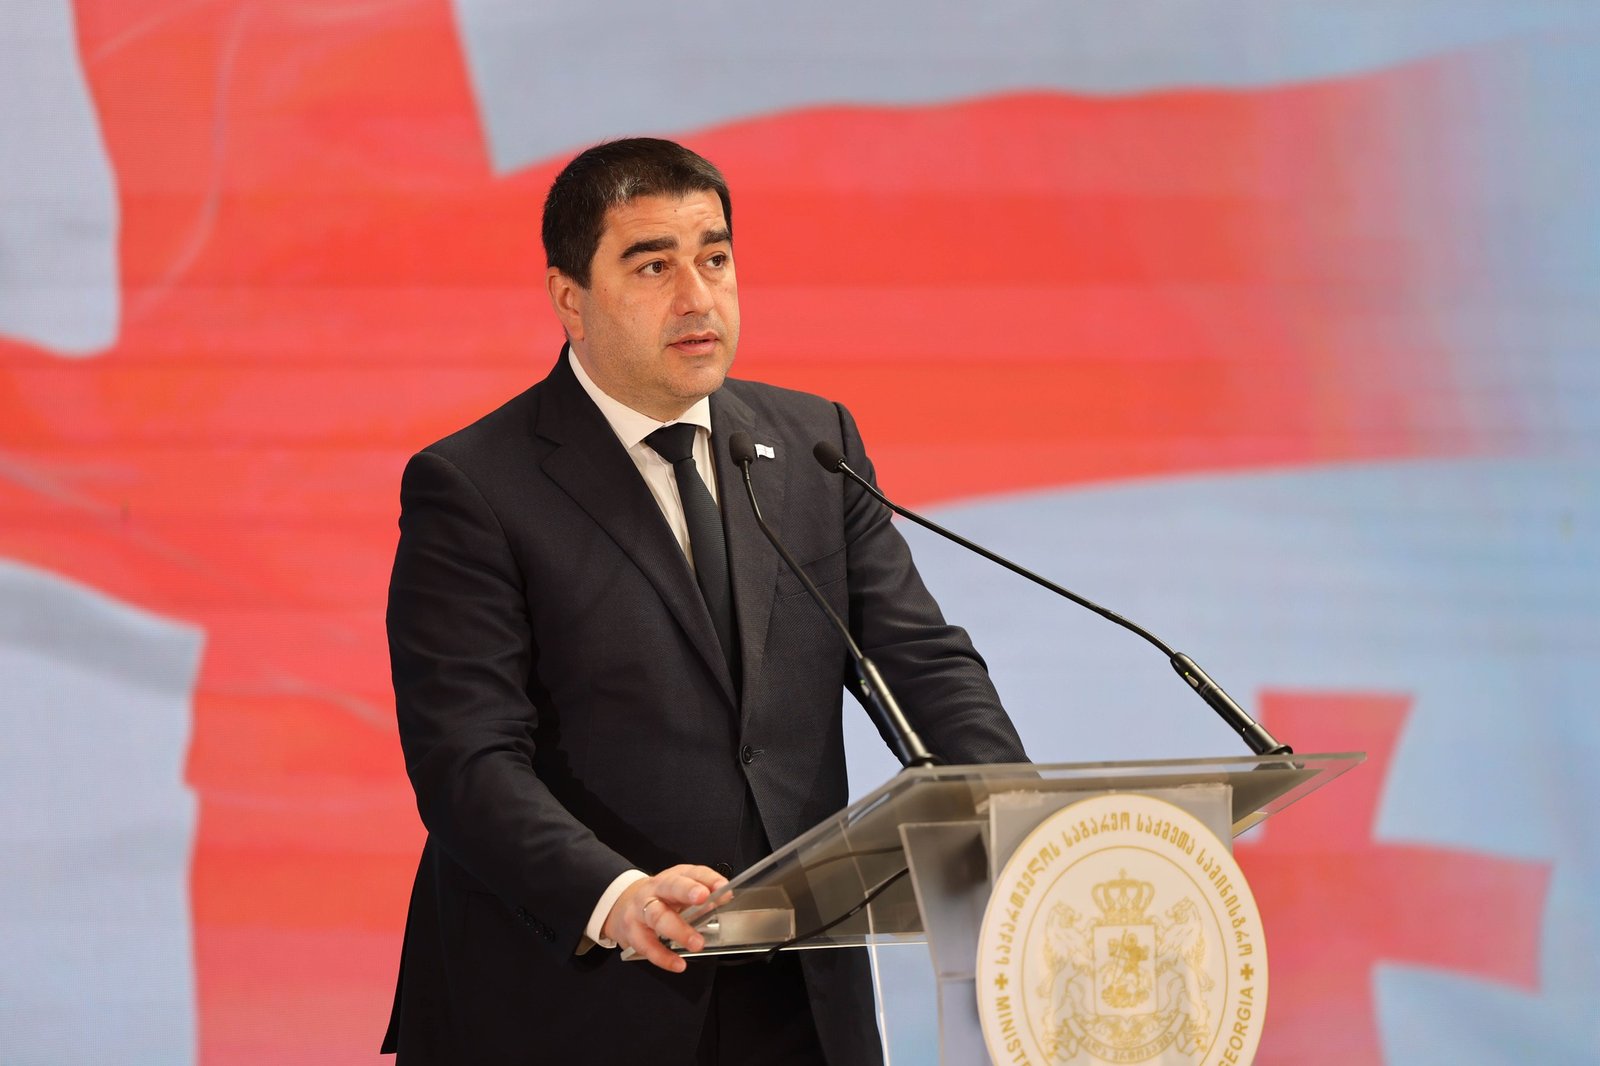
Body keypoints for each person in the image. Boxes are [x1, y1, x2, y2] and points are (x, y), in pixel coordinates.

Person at [381, 137, 1027, 1065]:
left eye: (715, 259)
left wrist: (1019, 813)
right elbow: (465, 759)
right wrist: (613, 894)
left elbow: (918, 662)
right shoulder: (475, 486)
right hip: (574, 999)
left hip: (796, 995)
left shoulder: (813, 445)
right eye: (653, 265)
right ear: (571, 297)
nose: (698, 296)